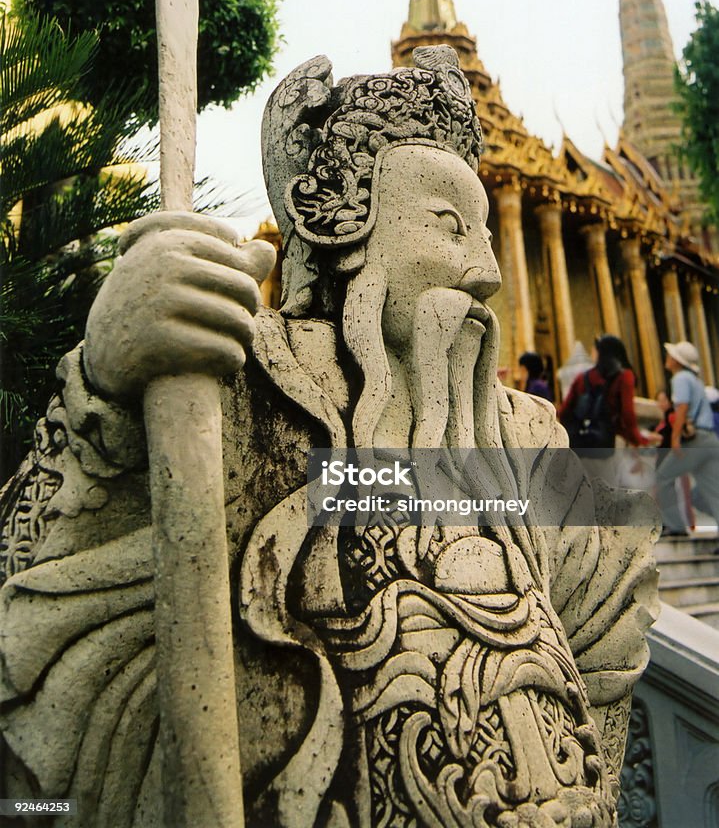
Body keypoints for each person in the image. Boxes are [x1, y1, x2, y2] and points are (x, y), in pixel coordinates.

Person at [0, 48, 658, 827]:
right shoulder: (237, 392)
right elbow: (25, 565)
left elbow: (608, 636)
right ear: (336, 221)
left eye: (484, 232)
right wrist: (104, 392)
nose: (485, 270)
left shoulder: (525, 437)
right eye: (450, 227)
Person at [558, 334, 658, 474]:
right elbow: (627, 415)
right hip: (607, 446)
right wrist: (639, 440)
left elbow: (564, 412)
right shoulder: (624, 377)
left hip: (580, 446)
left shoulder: (582, 378)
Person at [656, 341, 719, 536]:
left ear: (677, 360)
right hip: (709, 440)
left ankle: (675, 526)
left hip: (695, 440)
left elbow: (682, 408)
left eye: (670, 355)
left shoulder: (681, 378)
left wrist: (675, 439)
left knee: (662, 478)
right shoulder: (696, 380)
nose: (667, 358)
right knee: (713, 491)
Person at [652, 389, 694, 532]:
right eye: (659, 400)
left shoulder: (671, 416)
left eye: (663, 400)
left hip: (670, 458)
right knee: (661, 492)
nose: (661, 403)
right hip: (663, 459)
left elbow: (680, 432)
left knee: (669, 491)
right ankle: (667, 522)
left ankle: (676, 524)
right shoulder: (665, 418)